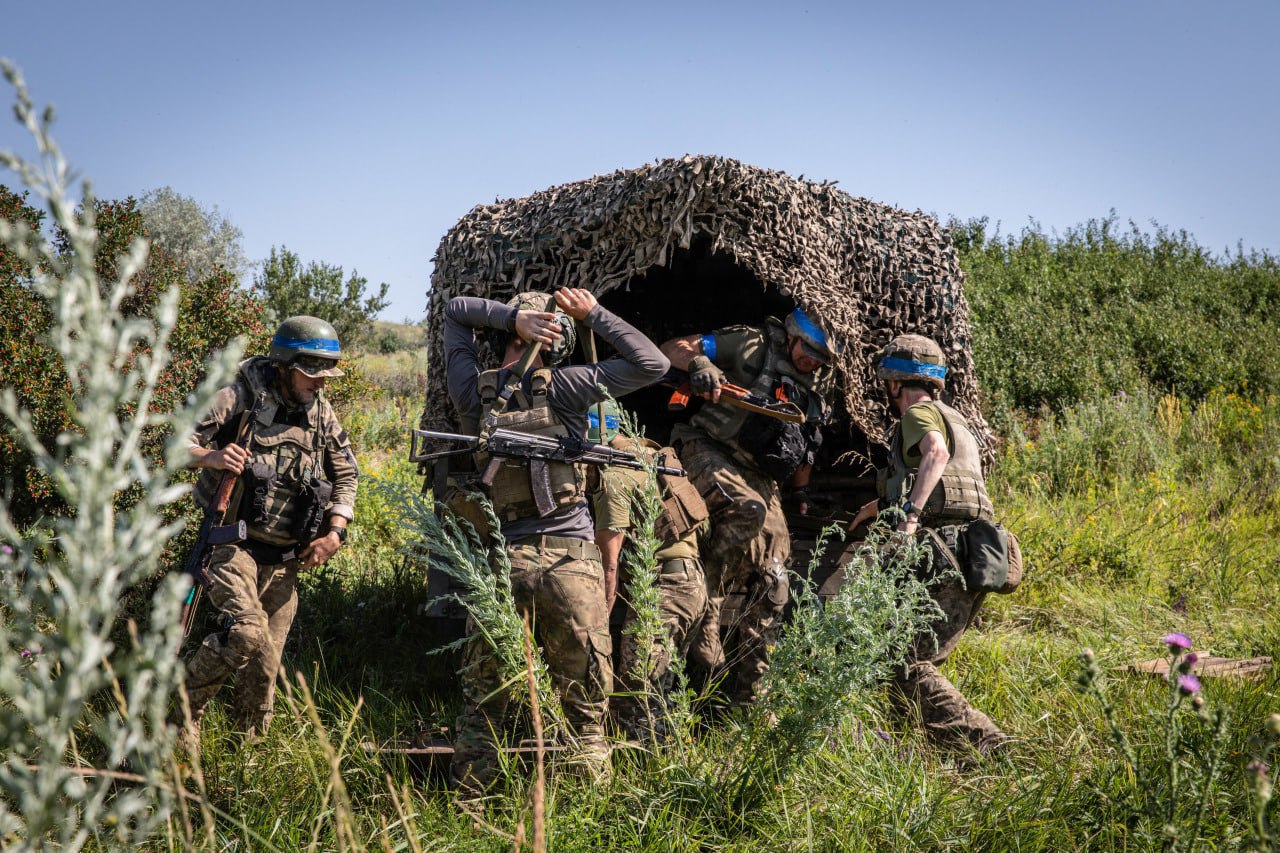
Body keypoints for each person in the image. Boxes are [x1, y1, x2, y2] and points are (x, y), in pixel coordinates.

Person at [443, 288, 668, 792]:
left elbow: (455, 312)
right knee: (586, 723)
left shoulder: (470, 392)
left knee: (483, 716)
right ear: (557, 341)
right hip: (572, 566)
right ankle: (588, 823)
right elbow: (651, 364)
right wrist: (595, 314)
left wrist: (510, 319)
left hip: (503, 568)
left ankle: (471, 816)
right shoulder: (568, 387)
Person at [181, 316, 357, 745]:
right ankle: (180, 714)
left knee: (264, 670)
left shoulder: (321, 414)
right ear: (285, 365)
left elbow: (347, 475)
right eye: (312, 373)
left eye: (326, 375)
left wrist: (335, 532)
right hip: (233, 545)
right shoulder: (238, 395)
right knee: (245, 632)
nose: (321, 384)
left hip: (284, 562)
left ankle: (247, 761)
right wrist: (212, 457)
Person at [660, 306, 837, 706]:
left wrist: (801, 496)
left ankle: (752, 697)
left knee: (777, 577)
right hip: (705, 447)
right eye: (808, 350)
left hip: (760, 474)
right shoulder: (751, 344)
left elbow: (807, 449)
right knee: (747, 510)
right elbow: (672, 348)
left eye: (820, 357)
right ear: (791, 336)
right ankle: (709, 610)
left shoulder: (817, 385)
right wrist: (700, 363)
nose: (811, 361)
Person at [849, 333, 1010, 758]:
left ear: (895, 383)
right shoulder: (958, 420)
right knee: (913, 657)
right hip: (977, 553)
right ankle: (914, 753)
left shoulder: (917, 414)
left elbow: (935, 456)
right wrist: (874, 509)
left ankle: (989, 747)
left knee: (906, 662)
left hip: (942, 552)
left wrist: (910, 516)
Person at [586, 401, 709, 743]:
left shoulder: (614, 476)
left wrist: (596, 627)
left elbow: (608, 565)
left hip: (664, 588)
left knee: (639, 694)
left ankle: (647, 773)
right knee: (663, 691)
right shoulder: (652, 456)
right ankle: (673, 762)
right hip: (691, 582)